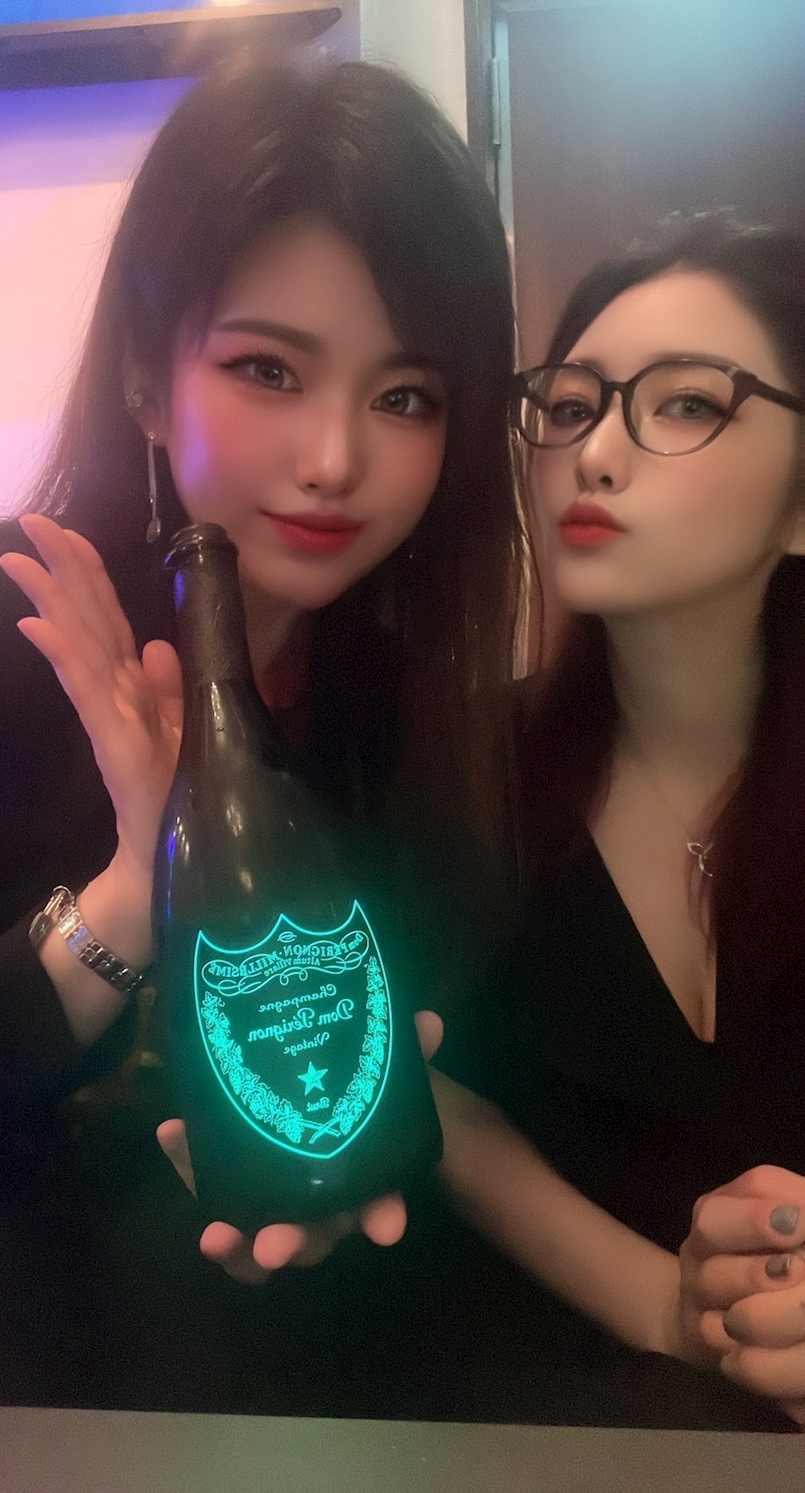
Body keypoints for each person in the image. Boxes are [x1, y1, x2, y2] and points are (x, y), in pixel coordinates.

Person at [0, 55, 525, 1415]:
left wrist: (344, 1179)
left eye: (406, 395)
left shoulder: (406, 718)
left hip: (306, 1390)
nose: (335, 457)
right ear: (147, 379)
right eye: (268, 369)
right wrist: (133, 890)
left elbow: (382, 1109)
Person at [430, 212, 805, 1431]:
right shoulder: (460, 773)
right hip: (548, 1414)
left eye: (688, 403)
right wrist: (665, 1305)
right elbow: (428, 1092)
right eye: (573, 403)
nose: (594, 453)